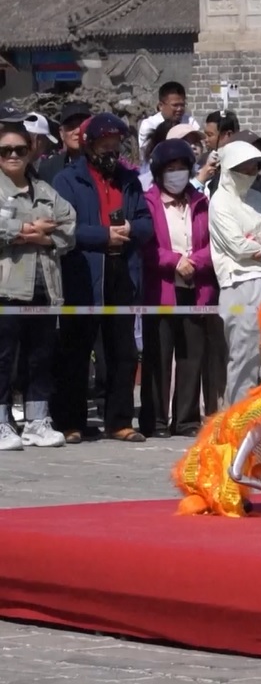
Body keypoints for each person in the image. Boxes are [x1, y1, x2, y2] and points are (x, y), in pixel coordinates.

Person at [52, 113, 154, 444]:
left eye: (116, 146)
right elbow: (65, 228)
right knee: (76, 351)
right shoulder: (68, 180)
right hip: (83, 271)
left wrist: (129, 231)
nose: (111, 152)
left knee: (122, 351)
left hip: (122, 271)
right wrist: (103, 236)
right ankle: (70, 421)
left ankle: (119, 420)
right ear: (89, 145)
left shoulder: (130, 180)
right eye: (104, 145)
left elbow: (145, 223)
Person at [0, 122, 76, 450]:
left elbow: (69, 226)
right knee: (3, 358)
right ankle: (2, 423)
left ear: (30, 150)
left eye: (20, 149)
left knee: (40, 357)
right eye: (5, 151)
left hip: (45, 285)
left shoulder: (44, 189)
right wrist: (30, 227)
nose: (14, 155)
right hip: (8, 287)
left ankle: (37, 421)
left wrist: (35, 236)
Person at [139, 138, 218, 438]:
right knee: (158, 356)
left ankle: (185, 419)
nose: (177, 174)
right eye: (170, 169)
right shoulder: (147, 202)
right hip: (161, 289)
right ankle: (155, 420)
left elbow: (215, 243)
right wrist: (172, 261)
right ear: (159, 173)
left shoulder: (202, 203)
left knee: (191, 355)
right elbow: (146, 246)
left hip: (196, 288)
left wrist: (195, 262)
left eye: (182, 168)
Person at [210, 140, 261, 405]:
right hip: (240, 283)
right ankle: (239, 412)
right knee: (244, 354)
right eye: (243, 168)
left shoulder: (257, 198)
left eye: (253, 168)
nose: (249, 173)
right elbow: (238, 246)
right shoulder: (220, 202)